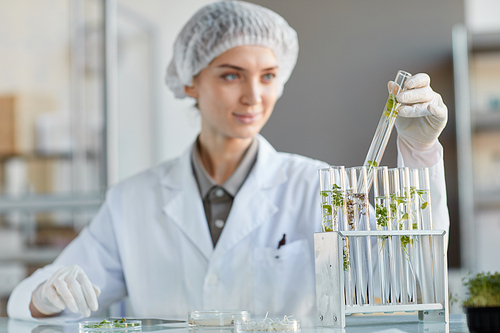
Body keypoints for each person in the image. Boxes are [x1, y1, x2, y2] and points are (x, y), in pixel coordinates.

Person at [7, 0, 449, 323]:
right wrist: (43, 297)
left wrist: (419, 155)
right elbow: (38, 300)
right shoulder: (132, 202)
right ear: (190, 82)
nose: (253, 96)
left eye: (268, 76)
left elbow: (410, 281)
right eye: (231, 74)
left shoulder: (319, 186)